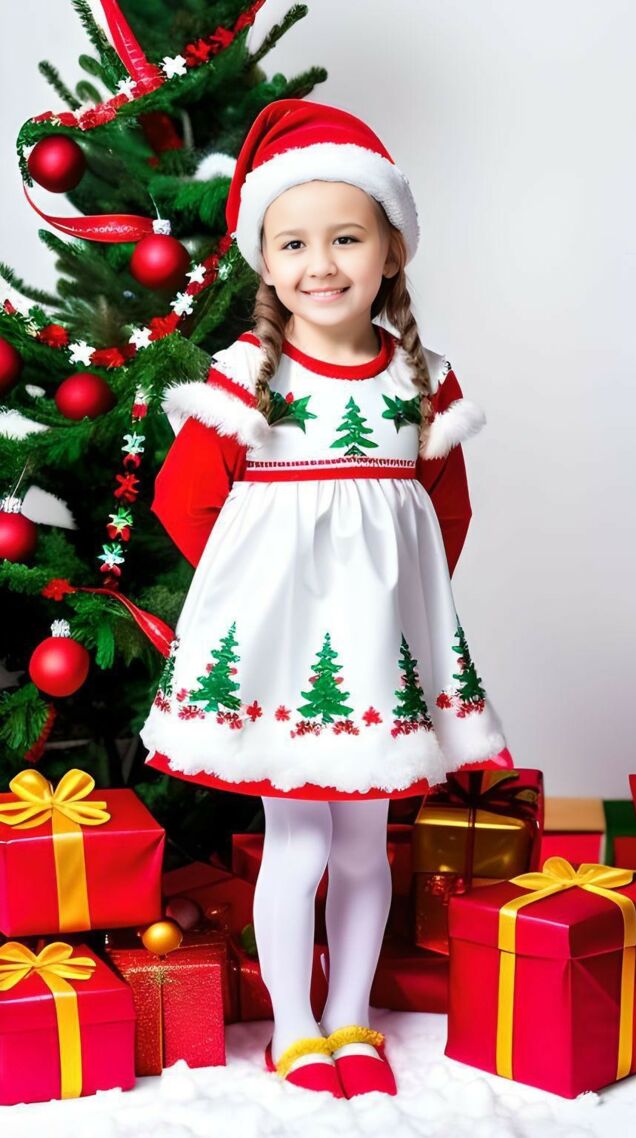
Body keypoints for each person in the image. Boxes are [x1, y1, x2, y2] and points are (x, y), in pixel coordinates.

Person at [139, 99, 513, 1099]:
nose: (322, 264)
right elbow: (185, 499)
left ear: (390, 252)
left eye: (346, 238)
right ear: (265, 263)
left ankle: (351, 1018)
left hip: (377, 660)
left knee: (362, 847)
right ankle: (296, 1030)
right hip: (283, 660)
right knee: (297, 839)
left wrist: (403, 616)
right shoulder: (247, 378)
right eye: (294, 243)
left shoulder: (423, 382)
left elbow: (444, 511)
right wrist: (254, 602)